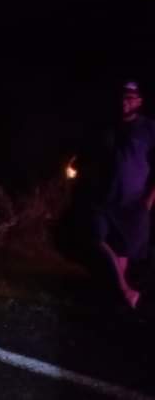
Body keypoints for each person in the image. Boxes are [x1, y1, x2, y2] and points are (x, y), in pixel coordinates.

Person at [70, 81, 155, 308]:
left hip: (132, 201)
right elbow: (88, 155)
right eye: (122, 97)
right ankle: (125, 290)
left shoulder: (149, 129)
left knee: (123, 251)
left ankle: (115, 297)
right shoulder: (107, 127)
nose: (125, 102)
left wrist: (148, 202)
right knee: (96, 239)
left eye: (130, 98)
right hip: (103, 198)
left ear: (139, 101)